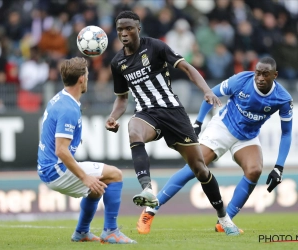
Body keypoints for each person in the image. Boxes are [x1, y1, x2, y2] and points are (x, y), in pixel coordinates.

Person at [105, 10, 240, 236]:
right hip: (147, 114)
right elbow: (121, 99)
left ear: (138, 28)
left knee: (200, 169)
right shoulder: (118, 62)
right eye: (120, 29)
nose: (124, 33)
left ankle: (223, 217)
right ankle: (147, 189)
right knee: (133, 129)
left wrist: (206, 91)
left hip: (173, 113)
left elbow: (187, 67)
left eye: (129, 28)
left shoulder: (156, 47)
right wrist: (112, 116)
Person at [136, 57, 293, 234]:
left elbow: (286, 133)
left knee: (255, 170)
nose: (260, 78)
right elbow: (211, 93)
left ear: (275, 75)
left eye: (266, 74)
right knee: (194, 168)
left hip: (247, 137)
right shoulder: (241, 80)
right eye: (258, 73)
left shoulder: (283, 99)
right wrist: (198, 122)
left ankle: (225, 222)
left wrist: (279, 167)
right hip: (223, 127)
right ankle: (149, 211)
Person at [37, 57, 136, 244]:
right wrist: (85, 177)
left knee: (97, 188)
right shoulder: (68, 108)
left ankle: (82, 232)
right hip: (55, 169)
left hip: (48, 168)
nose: (89, 78)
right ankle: (111, 232)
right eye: (88, 75)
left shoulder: (61, 98)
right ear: (82, 78)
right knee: (115, 175)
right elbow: (61, 150)